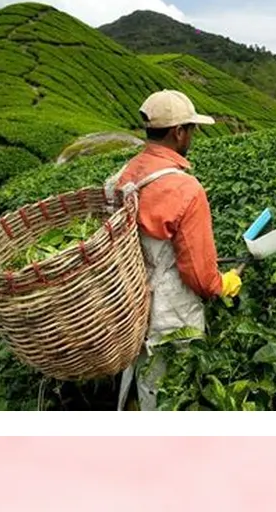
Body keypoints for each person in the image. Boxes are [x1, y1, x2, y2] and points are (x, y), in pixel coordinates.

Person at [104, 90, 243, 411]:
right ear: (178, 132)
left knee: (141, 380)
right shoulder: (185, 189)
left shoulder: (122, 178)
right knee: (172, 394)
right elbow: (199, 277)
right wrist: (225, 283)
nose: (192, 135)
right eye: (190, 129)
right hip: (171, 314)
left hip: (130, 304)